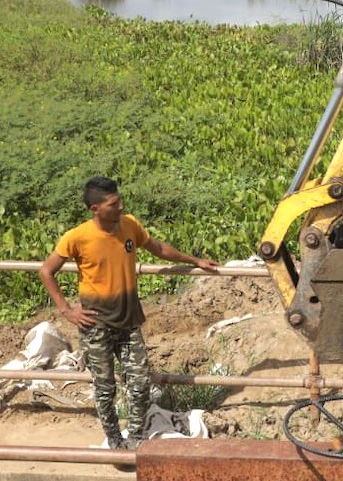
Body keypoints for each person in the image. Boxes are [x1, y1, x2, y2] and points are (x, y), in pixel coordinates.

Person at [38, 176, 219, 450]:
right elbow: (46, 271)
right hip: (95, 325)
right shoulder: (77, 237)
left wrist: (194, 261)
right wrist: (66, 310)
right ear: (95, 209)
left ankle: (135, 439)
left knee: (140, 383)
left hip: (128, 321)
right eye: (113, 203)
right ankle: (114, 439)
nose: (120, 206)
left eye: (119, 200)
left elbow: (158, 248)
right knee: (105, 387)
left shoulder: (129, 225)